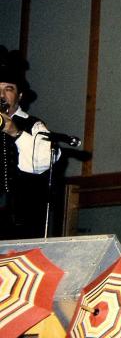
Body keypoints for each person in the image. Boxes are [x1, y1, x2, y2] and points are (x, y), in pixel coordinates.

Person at [0, 47, 59, 240]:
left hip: (20, 225)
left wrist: (15, 133)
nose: (1, 95)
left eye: (8, 89)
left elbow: (43, 161)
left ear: (19, 96)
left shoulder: (34, 125)